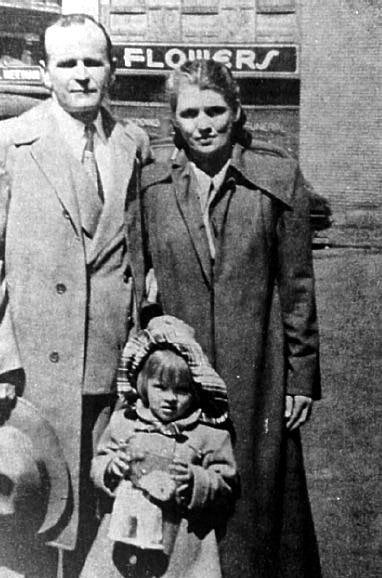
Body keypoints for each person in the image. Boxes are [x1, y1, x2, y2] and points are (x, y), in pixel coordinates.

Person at [0, 13, 149, 578]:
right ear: (45, 73)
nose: (81, 75)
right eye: (67, 63)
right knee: (31, 518)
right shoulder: (4, 144)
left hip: (109, 369)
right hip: (29, 375)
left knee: (99, 519)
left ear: (112, 70)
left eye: (93, 62)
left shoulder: (134, 144)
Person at [129, 59, 322, 577]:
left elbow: (298, 287)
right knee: (184, 500)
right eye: (189, 113)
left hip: (258, 370)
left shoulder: (276, 178)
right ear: (174, 121)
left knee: (262, 504)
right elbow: (140, 290)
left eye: (215, 110)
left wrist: (301, 377)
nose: (203, 125)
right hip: (181, 379)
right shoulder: (150, 186)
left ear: (236, 111)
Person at [80, 316, 238, 578]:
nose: (170, 399)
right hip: (125, 532)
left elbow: (226, 482)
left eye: (182, 390)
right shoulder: (124, 423)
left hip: (181, 543)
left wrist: (196, 481)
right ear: (143, 383)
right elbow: (99, 463)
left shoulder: (207, 434)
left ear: (196, 389)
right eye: (161, 387)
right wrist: (111, 468)